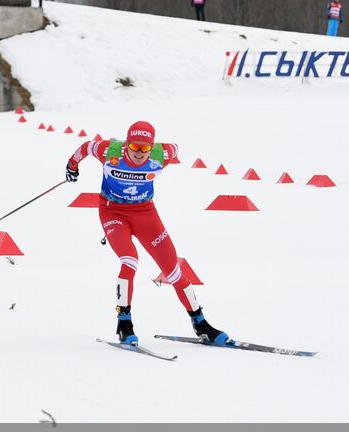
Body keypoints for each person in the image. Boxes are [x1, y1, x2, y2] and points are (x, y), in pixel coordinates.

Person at [65, 120, 230, 348]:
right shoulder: (108, 150)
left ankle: (200, 323)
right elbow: (85, 147)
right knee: (129, 260)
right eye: (134, 148)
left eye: (145, 148)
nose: (140, 154)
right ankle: (124, 323)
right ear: (127, 145)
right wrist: (72, 166)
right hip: (113, 212)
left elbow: (176, 147)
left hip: (145, 213)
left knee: (172, 269)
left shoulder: (162, 154)